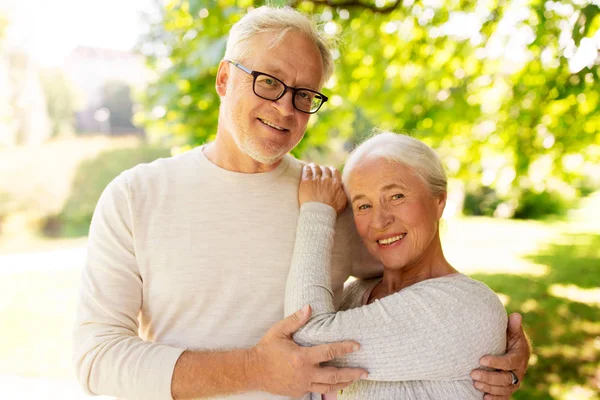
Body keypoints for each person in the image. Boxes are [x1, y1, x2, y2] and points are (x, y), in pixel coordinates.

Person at [73, 6, 530, 400]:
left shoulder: (334, 201)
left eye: (305, 94)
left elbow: (412, 291)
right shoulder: (136, 196)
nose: (287, 108)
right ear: (224, 78)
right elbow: (97, 358)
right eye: (269, 82)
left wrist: (496, 349)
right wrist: (255, 367)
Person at [286, 132, 513, 399]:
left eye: (396, 196)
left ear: (439, 200)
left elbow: (305, 343)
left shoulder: (469, 307)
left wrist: (315, 211)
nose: (380, 221)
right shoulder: (353, 295)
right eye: (364, 205)